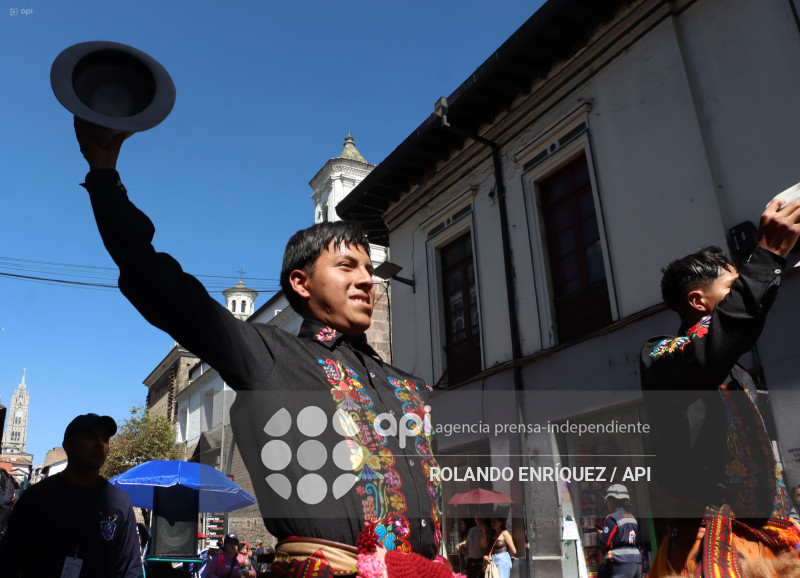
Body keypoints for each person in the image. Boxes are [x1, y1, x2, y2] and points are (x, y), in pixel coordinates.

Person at [74, 120, 452, 578]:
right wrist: (103, 177)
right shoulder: (271, 357)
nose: (367, 278)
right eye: (347, 265)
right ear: (301, 282)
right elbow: (157, 281)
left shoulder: (405, 386)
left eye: (369, 268)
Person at [641, 198, 800, 577]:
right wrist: (765, 258)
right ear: (698, 300)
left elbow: (737, 328)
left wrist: (772, 263)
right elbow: (714, 346)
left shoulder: (736, 369)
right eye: (732, 287)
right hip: (709, 546)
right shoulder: (662, 354)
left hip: (771, 538)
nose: (742, 292)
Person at [0, 413, 143, 577]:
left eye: (105, 438)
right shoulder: (36, 498)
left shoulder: (119, 502)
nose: (100, 443)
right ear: (68, 445)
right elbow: (8, 562)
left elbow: (131, 569)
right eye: (90, 436)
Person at [597, 485, 640, 578]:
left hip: (620, 561)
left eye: (607, 502)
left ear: (612, 501)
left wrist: (601, 534)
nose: (607, 505)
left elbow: (605, 542)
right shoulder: (632, 517)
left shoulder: (612, 518)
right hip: (636, 561)